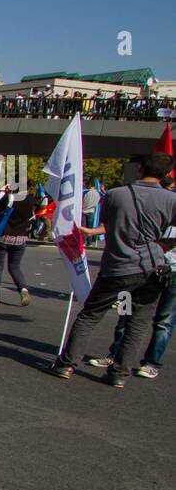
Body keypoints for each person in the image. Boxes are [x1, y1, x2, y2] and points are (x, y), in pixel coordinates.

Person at [48, 153, 176, 388]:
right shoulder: (171, 200)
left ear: (140, 170)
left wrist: (92, 232)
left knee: (90, 315)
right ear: (167, 175)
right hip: (152, 267)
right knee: (138, 322)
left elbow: (112, 223)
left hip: (116, 266)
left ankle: (66, 364)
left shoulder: (116, 195)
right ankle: (119, 373)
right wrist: (163, 245)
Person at [0, 188, 36, 304]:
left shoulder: (10, 197)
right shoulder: (30, 199)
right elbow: (31, 215)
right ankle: (22, 288)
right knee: (15, 266)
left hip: (4, 235)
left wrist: (3, 193)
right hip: (21, 237)